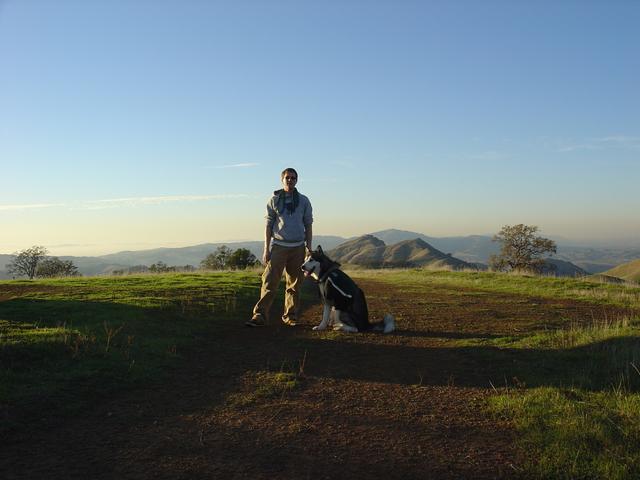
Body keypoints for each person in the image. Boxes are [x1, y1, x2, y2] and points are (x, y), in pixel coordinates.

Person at [246, 168, 313, 327]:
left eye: (293, 178)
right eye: (287, 177)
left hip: (298, 248)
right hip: (279, 246)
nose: (290, 180)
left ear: (297, 180)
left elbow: (308, 225)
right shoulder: (274, 200)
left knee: (295, 285)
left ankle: (290, 316)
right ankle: (260, 315)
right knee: (269, 282)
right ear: (282, 180)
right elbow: (268, 226)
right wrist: (266, 249)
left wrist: (308, 249)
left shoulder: (304, 201)